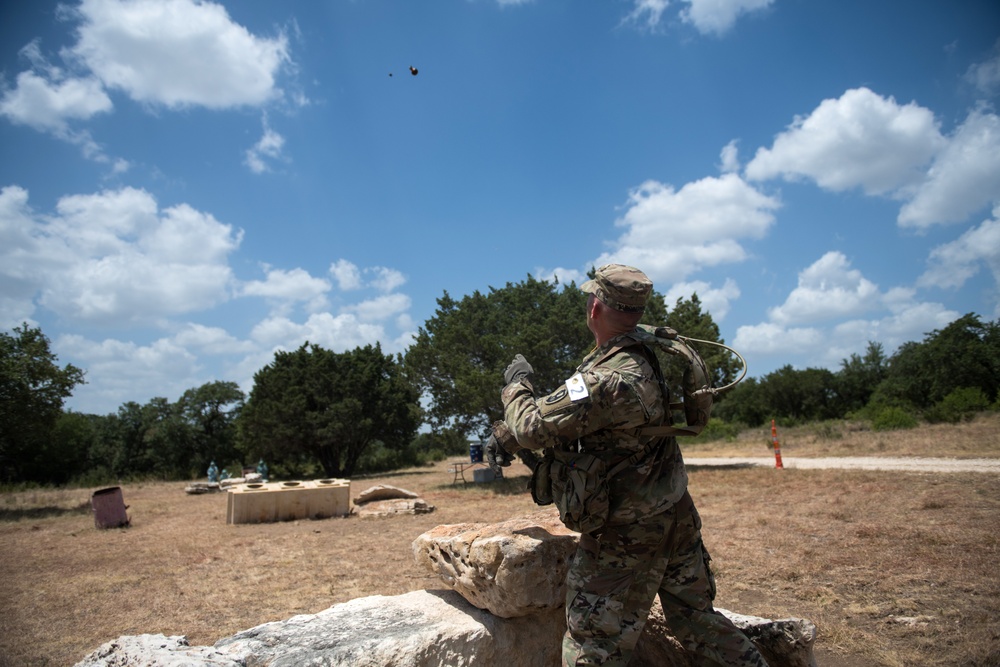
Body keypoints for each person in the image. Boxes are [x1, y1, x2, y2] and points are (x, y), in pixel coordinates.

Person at [486, 264, 766, 667]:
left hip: (627, 533)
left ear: (595, 306)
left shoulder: (607, 379)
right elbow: (576, 414)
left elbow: (534, 426)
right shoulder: (643, 349)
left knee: (592, 643)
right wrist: (503, 435)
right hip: (675, 511)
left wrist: (516, 385)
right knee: (697, 620)